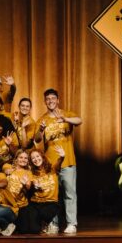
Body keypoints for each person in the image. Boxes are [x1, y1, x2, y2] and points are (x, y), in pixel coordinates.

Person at [33, 88, 82, 235]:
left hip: (67, 161)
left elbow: (79, 121)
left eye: (53, 98)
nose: (50, 101)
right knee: (52, 195)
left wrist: (65, 119)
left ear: (58, 100)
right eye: (47, 99)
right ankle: (53, 223)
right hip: (50, 165)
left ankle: (71, 223)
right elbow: (36, 139)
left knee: (69, 193)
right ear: (44, 102)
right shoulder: (42, 119)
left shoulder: (66, 114)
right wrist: (41, 130)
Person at [27, 147, 65, 234]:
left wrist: (62, 157)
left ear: (42, 157)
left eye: (37, 156)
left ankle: (52, 222)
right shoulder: (31, 172)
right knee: (33, 229)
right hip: (36, 203)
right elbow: (30, 184)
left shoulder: (52, 169)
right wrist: (34, 185)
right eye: (33, 158)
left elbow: (58, 164)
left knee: (51, 228)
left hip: (51, 202)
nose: (36, 159)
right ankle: (44, 223)